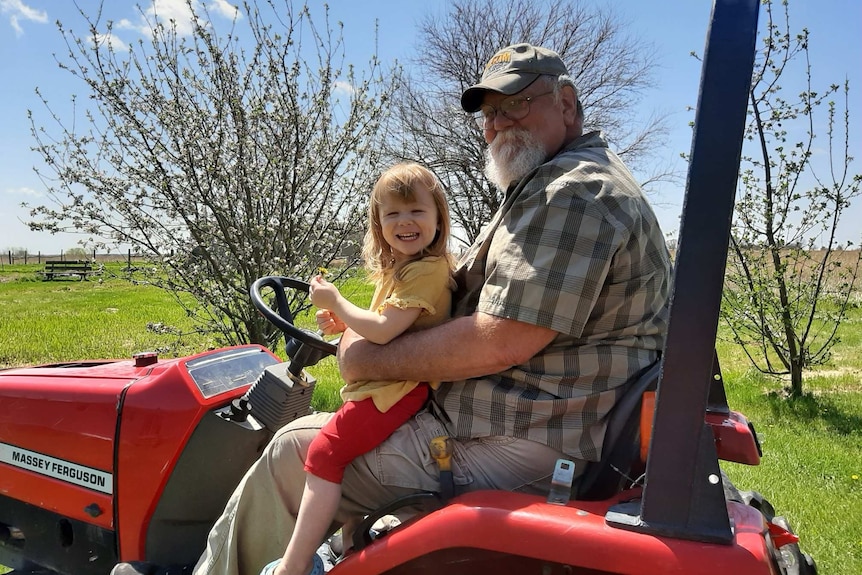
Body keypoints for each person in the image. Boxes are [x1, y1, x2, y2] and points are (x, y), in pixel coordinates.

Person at [113, 42, 671, 575]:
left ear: (567, 104)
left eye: (518, 104)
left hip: (520, 439)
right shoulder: (551, 188)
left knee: (291, 452)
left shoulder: (573, 192)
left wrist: (363, 360)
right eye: (490, 112)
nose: (499, 123)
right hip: (523, 422)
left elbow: (502, 338)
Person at [263, 162, 455, 575]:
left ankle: (292, 567)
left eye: (416, 211)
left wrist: (337, 304)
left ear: (438, 218)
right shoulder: (404, 270)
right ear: (378, 222)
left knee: (324, 453)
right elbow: (386, 322)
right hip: (383, 386)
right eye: (393, 214)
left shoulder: (427, 271)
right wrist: (345, 322)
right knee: (342, 454)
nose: (405, 222)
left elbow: (385, 332)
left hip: (396, 390)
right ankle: (350, 545)